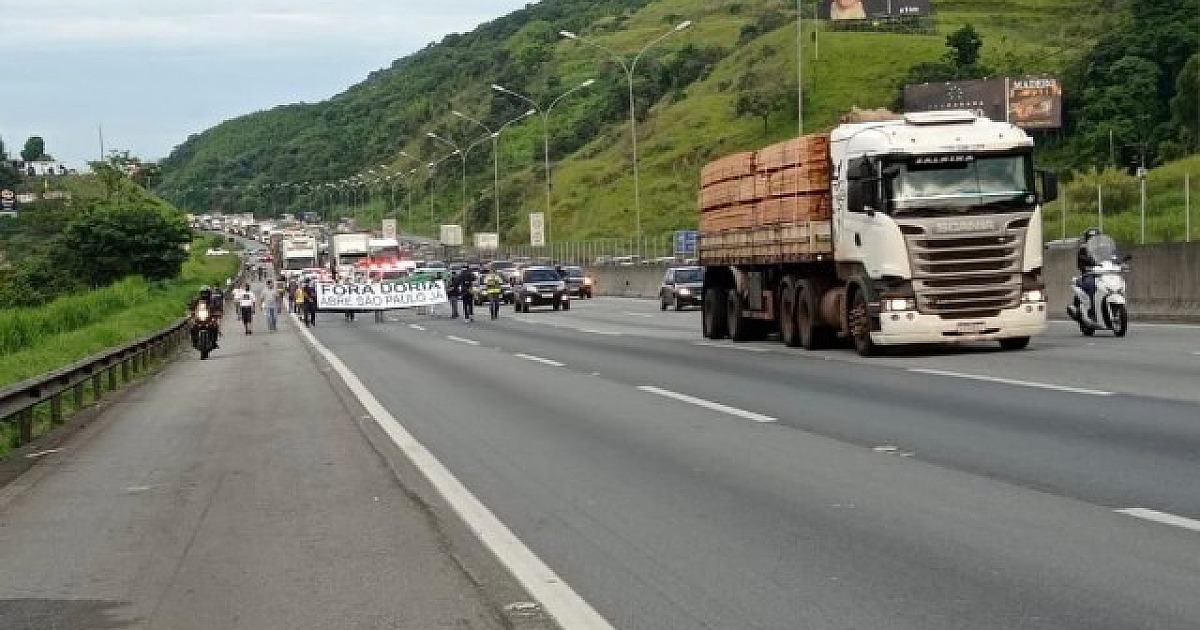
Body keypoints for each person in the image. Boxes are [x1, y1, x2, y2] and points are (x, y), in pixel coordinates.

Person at [1077, 227, 1100, 318]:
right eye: (1091, 237)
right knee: (1091, 285)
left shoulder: (1102, 248)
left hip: (1101, 273)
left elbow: (1109, 257)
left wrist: (1116, 262)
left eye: (1095, 237)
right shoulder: (1083, 248)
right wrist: (1087, 265)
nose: (1093, 239)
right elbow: (1080, 260)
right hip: (1088, 274)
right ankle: (1091, 310)